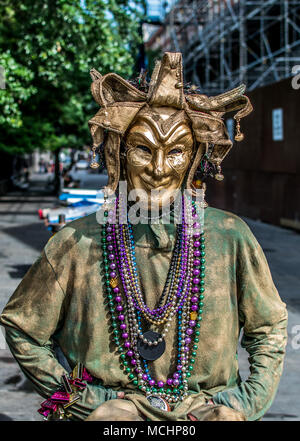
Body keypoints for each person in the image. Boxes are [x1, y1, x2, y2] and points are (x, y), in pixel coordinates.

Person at [0, 53, 287, 421]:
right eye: (143, 150)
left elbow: (270, 328)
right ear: (119, 152)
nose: (158, 169)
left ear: (195, 156)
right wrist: (87, 403)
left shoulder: (230, 237)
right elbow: (22, 328)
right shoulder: (75, 241)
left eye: (176, 152)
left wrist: (240, 405)